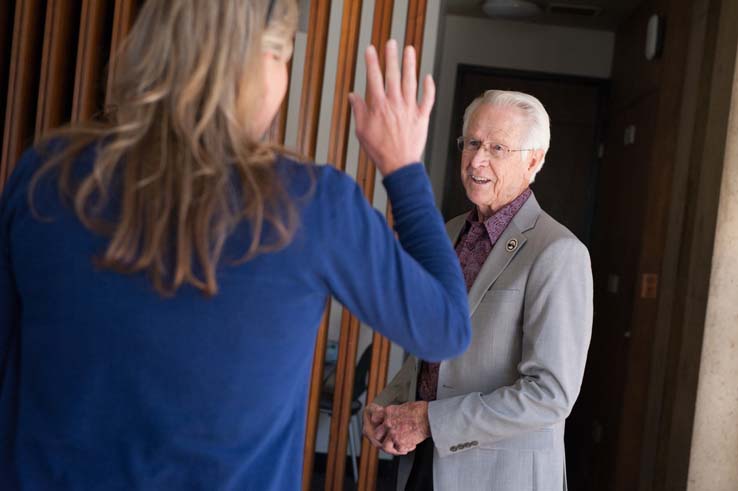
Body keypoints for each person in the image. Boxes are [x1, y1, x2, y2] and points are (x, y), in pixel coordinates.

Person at [0, 1, 472, 489]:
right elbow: (446, 328)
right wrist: (403, 169)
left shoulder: (48, 173)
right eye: (284, 57)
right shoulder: (312, 205)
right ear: (263, 63)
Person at [364, 90, 593, 491]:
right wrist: (391, 405)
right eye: (472, 142)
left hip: (498, 476)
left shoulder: (559, 252)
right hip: (421, 462)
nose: (477, 160)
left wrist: (426, 420)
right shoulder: (449, 232)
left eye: (498, 148)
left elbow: (550, 394)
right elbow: (433, 353)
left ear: (534, 160)